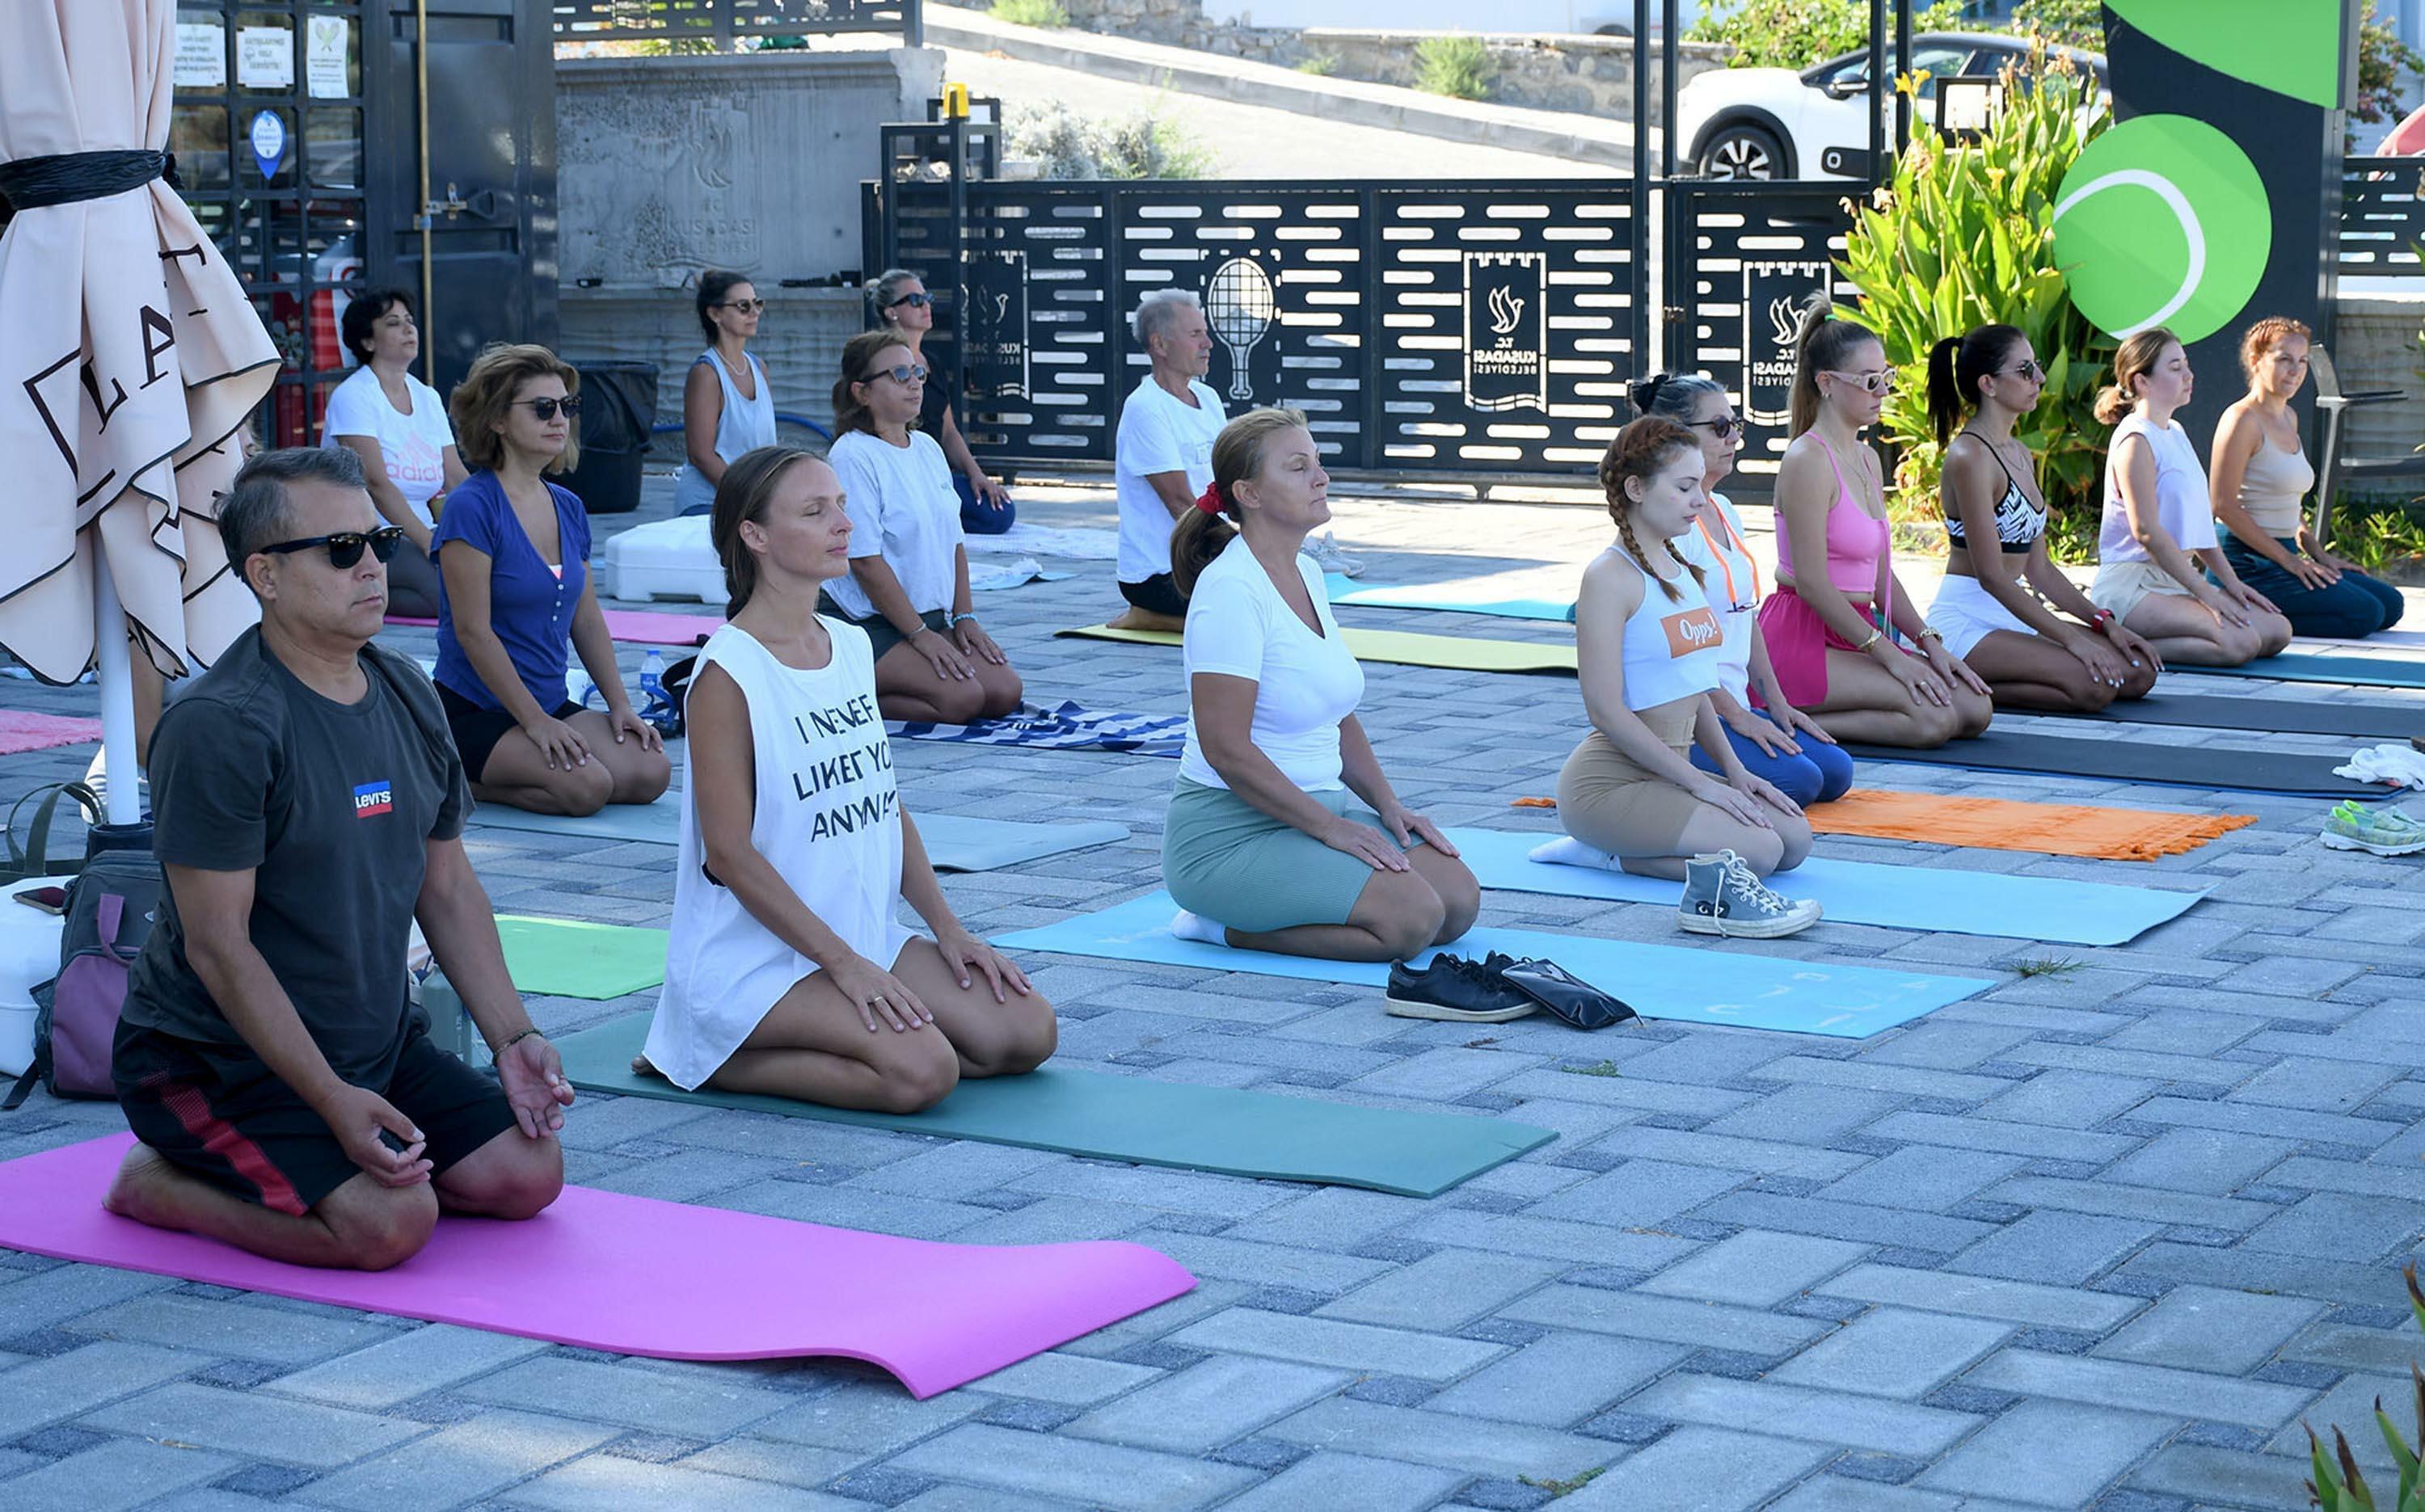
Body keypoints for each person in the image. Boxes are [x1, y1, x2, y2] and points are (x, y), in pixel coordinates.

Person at [105, 446, 570, 1270]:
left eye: (379, 541)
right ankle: (158, 1183)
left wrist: (513, 1036)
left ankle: (322, 1155)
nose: (373, 567)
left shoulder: (408, 690)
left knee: (528, 1174)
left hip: (373, 1044)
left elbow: (447, 885)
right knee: (390, 1225)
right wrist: (328, 1099)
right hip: (213, 1063)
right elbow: (218, 945)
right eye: (341, 548)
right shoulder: (221, 725)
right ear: (266, 574)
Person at [636, 447, 1056, 1109]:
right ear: (755, 535)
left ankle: (843, 1020)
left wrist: (948, 927)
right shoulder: (728, 674)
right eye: (815, 511)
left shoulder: (852, 644)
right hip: (753, 961)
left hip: (862, 936)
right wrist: (842, 964)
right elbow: (729, 855)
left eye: (840, 505)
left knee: (1026, 1031)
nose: (843, 524)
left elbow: (881, 801)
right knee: (923, 1071)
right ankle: (699, 1048)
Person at [1162, 408, 1480, 966]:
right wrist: (1331, 828)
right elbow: (1225, 748)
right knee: (1410, 920)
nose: (1321, 477)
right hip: (1226, 839)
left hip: (1310, 817)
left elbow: (1335, 710)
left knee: (1456, 903)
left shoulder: (1306, 572)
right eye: (1299, 467)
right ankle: (1218, 928)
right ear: (1249, 493)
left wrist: (1389, 806)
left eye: (1318, 462)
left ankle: (1301, 890)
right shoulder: (1231, 590)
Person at [1554, 418, 1818, 937]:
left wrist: (1735, 774)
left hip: (1666, 774)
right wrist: (1701, 784)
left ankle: (1622, 846)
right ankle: (1606, 854)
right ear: (1636, 489)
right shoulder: (1608, 578)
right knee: (1761, 851)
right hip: (1608, 785)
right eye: (1684, 487)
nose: (1700, 499)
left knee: (1794, 841)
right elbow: (1604, 711)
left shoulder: (1681, 569)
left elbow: (1695, 690)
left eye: (1699, 485)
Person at [436, 344, 672, 816]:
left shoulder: (568, 505)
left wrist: (620, 704)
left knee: (650, 772)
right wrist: (535, 722)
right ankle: (458, 780)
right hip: (475, 709)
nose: (560, 419)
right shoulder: (471, 506)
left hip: (548, 701)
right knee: (586, 788)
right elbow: (472, 632)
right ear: (498, 420)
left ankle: (529, 754)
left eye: (568, 406)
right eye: (543, 408)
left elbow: (587, 620)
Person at [1759, 297, 1993, 747]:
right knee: (1935, 720)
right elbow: (1812, 584)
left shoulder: (1866, 458)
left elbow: (1882, 573)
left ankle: (1811, 713)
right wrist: (1889, 654)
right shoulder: (1808, 459)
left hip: (1857, 628)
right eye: (1870, 382)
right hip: (1804, 636)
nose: (1882, 392)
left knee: (1975, 708)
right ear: (1827, 383)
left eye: (1887, 378)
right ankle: (1779, 718)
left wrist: (1929, 644)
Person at [1635, 373, 1854, 808]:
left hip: (1733, 705)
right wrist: (1736, 716)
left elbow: (1744, 615)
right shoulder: (1669, 522)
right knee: (1802, 783)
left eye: (1736, 424)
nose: (1735, 437)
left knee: (1836, 772)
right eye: (1720, 427)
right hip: (1689, 717)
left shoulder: (1723, 508)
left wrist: (1775, 704)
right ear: (1677, 435)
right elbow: (1679, 651)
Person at [1924, 325, 2160, 710]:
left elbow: (2040, 569)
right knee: (2095, 686)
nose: (2039, 378)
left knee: (2138, 671)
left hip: (2012, 613)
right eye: (2024, 370)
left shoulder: (2019, 452)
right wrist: (2073, 641)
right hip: (1968, 619)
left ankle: (1981, 677)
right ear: (1988, 384)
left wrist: (2104, 623)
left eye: (2037, 366)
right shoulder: (1970, 457)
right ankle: (1959, 681)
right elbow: (1992, 576)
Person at [823, 331, 1023, 725]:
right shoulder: (852, 454)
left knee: (1004, 692)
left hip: (927, 618)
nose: (914, 383)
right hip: (867, 624)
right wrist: (918, 635)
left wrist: (964, 617)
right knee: (962, 700)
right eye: (899, 374)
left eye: (917, 372)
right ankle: (839, 695)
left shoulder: (928, 448)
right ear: (863, 393)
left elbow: (954, 541)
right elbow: (864, 561)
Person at [2089, 328, 2294, 665]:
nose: (2189, 375)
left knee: (2277, 630)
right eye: (2175, 368)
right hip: (2134, 586)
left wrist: (2232, 584)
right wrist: (2207, 593)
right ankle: (2120, 646)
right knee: (2241, 642)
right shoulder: (2135, 441)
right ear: (2142, 381)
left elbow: (2200, 527)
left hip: (2175, 579)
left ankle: (2140, 640)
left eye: (2186, 364)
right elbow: (2147, 532)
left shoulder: (2176, 432)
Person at [2208, 316, 2406, 640]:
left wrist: (2318, 554)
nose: (2295, 370)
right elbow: (2222, 505)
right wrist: (2290, 562)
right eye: (2284, 359)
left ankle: (2268, 608)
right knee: (2365, 614)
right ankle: (2248, 613)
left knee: (2390, 604)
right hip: (2245, 563)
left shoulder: (2289, 417)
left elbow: (2290, 502)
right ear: (2256, 361)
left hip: (2283, 555)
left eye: (2302, 361)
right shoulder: (2241, 420)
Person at [322, 288, 466, 617]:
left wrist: (498, 524)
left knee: (484, 580)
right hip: (368, 535)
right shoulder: (354, 396)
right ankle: (348, 598)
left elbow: (456, 476)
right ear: (368, 341)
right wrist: (430, 545)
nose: (408, 329)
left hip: (422, 532)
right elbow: (376, 485)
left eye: (409, 321)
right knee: (453, 597)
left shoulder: (427, 397)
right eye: (393, 323)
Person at [1111, 289, 1226, 632]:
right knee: (1251, 609)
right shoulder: (1145, 408)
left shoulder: (1207, 397)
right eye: (1195, 334)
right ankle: (1148, 614)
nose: (1208, 343)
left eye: (1205, 333)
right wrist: (1245, 550)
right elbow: (1180, 504)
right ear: (1160, 345)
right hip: (1160, 575)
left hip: (1206, 556)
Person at [867, 268, 1014, 535]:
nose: (926, 305)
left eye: (928, 298)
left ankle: (936, 515)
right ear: (892, 312)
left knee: (1000, 511)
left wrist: (977, 475)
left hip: (933, 474)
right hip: (899, 475)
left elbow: (948, 431)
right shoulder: (879, 362)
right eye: (916, 300)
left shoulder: (931, 363)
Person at [673, 270, 778, 519]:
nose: (754, 312)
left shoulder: (759, 367)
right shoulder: (706, 373)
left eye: (757, 303)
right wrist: (749, 493)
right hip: (709, 503)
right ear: (715, 314)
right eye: (743, 306)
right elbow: (701, 455)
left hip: (751, 502)